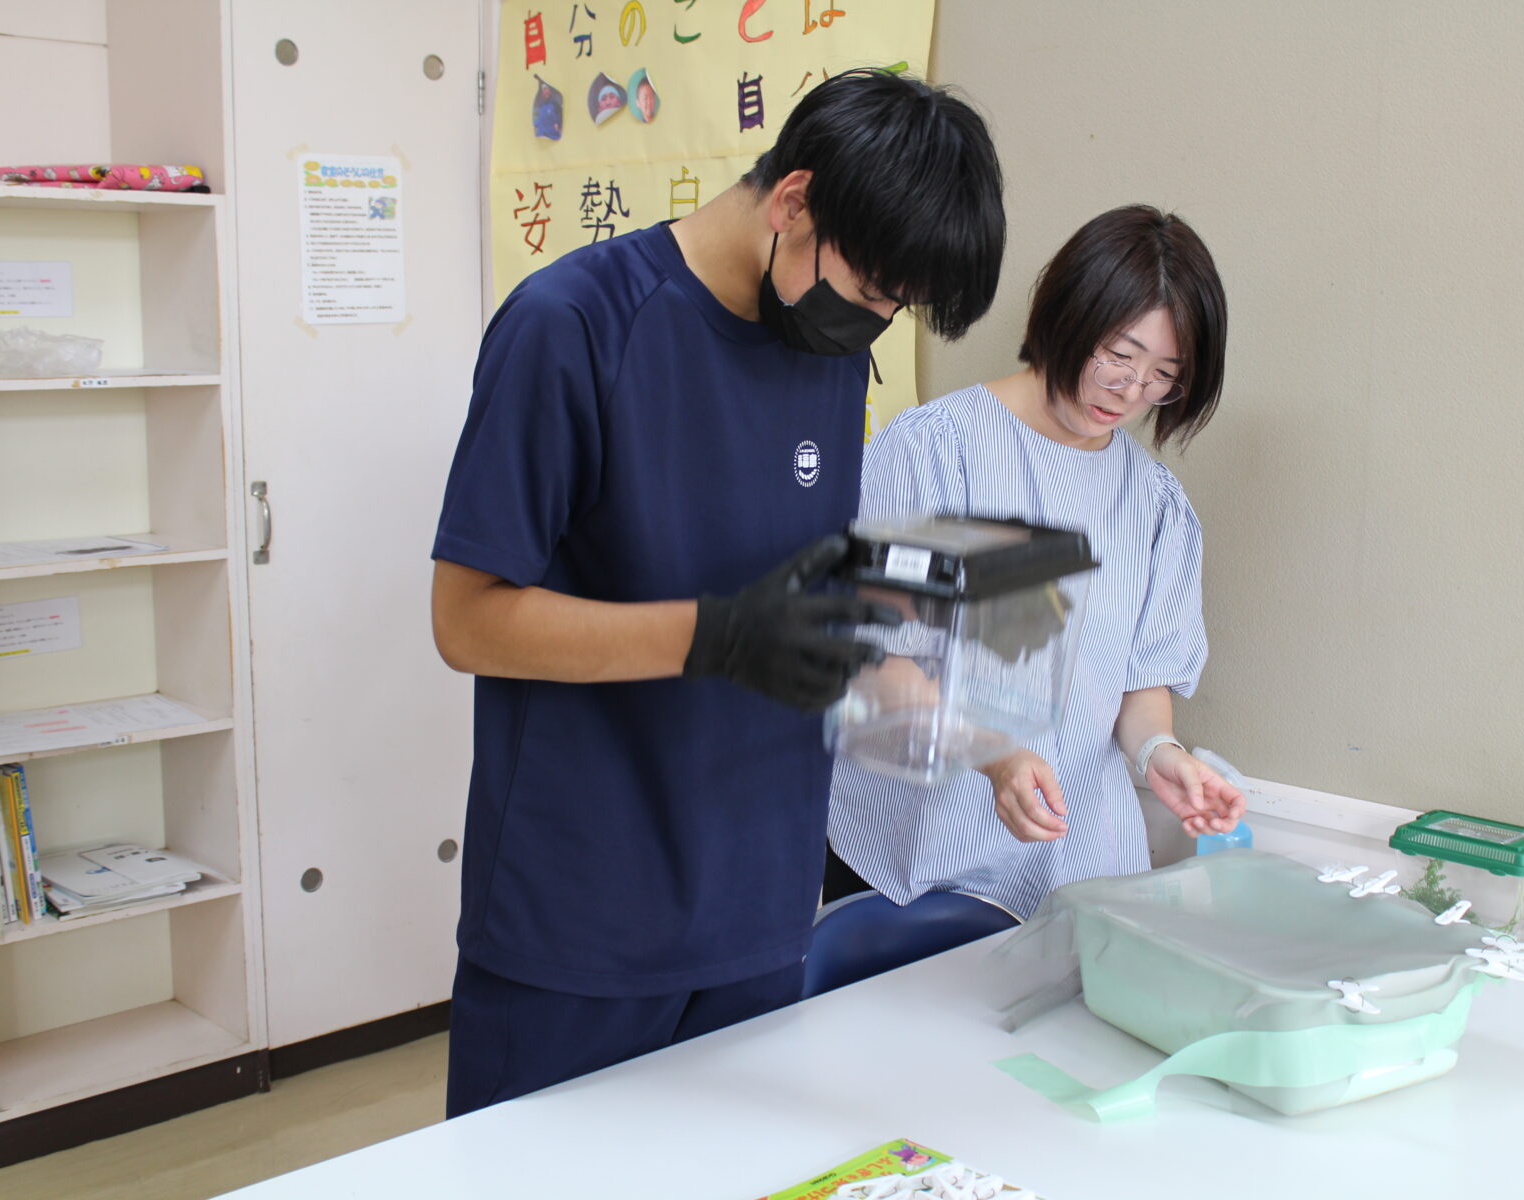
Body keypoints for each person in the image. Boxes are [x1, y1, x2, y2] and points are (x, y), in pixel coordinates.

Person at [430, 68, 1005, 1118]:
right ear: (793, 202)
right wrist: (717, 638)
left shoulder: (821, 347)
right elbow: (465, 621)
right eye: (877, 292)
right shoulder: (573, 324)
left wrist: (967, 724)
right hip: (582, 919)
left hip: (759, 906)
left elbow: (799, 593)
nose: (875, 322)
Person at [826, 204, 1245, 921]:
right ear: (1068, 311)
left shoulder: (1156, 507)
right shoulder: (936, 453)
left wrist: (1163, 759)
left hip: (1076, 873)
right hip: (916, 871)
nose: (1132, 390)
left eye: (1163, 376)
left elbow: (1140, 693)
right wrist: (997, 757)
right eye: (1118, 354)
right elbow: (877, 662)